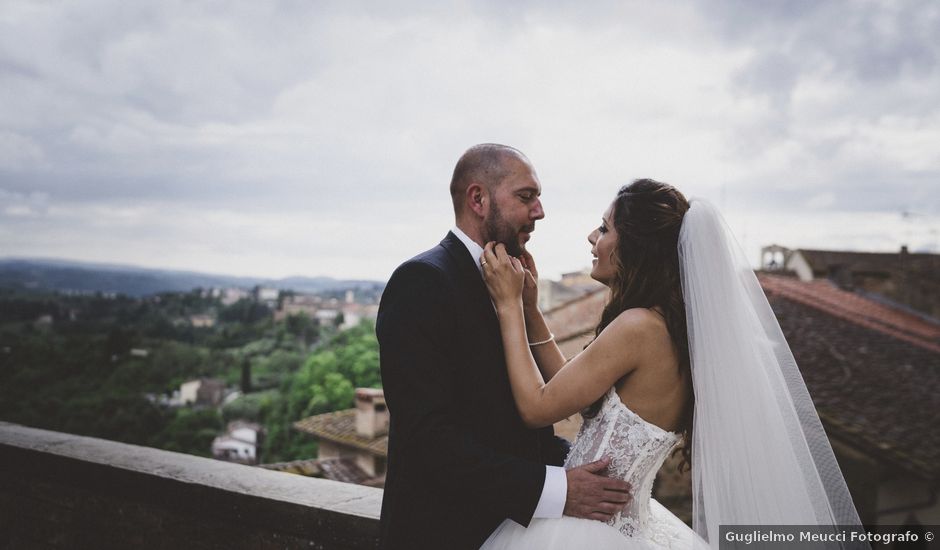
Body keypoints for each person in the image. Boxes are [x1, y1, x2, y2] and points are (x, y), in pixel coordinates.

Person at [479, 179, 865, 549]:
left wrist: (508, 305)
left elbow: (537, 407)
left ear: (635, 246)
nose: (592, 238)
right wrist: (531, 309)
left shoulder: (638, 327)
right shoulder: (672, 330)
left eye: (604, 228)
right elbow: (575, 390)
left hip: (588, 530)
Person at [376, 144, 632, 550]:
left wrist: (584, 464)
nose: (540, 212)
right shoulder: (421, 281)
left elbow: (518, 428)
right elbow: (428, 437)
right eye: (526, 197)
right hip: (444, 535)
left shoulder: (510, 281)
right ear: (478, 199)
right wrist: (558, 490)